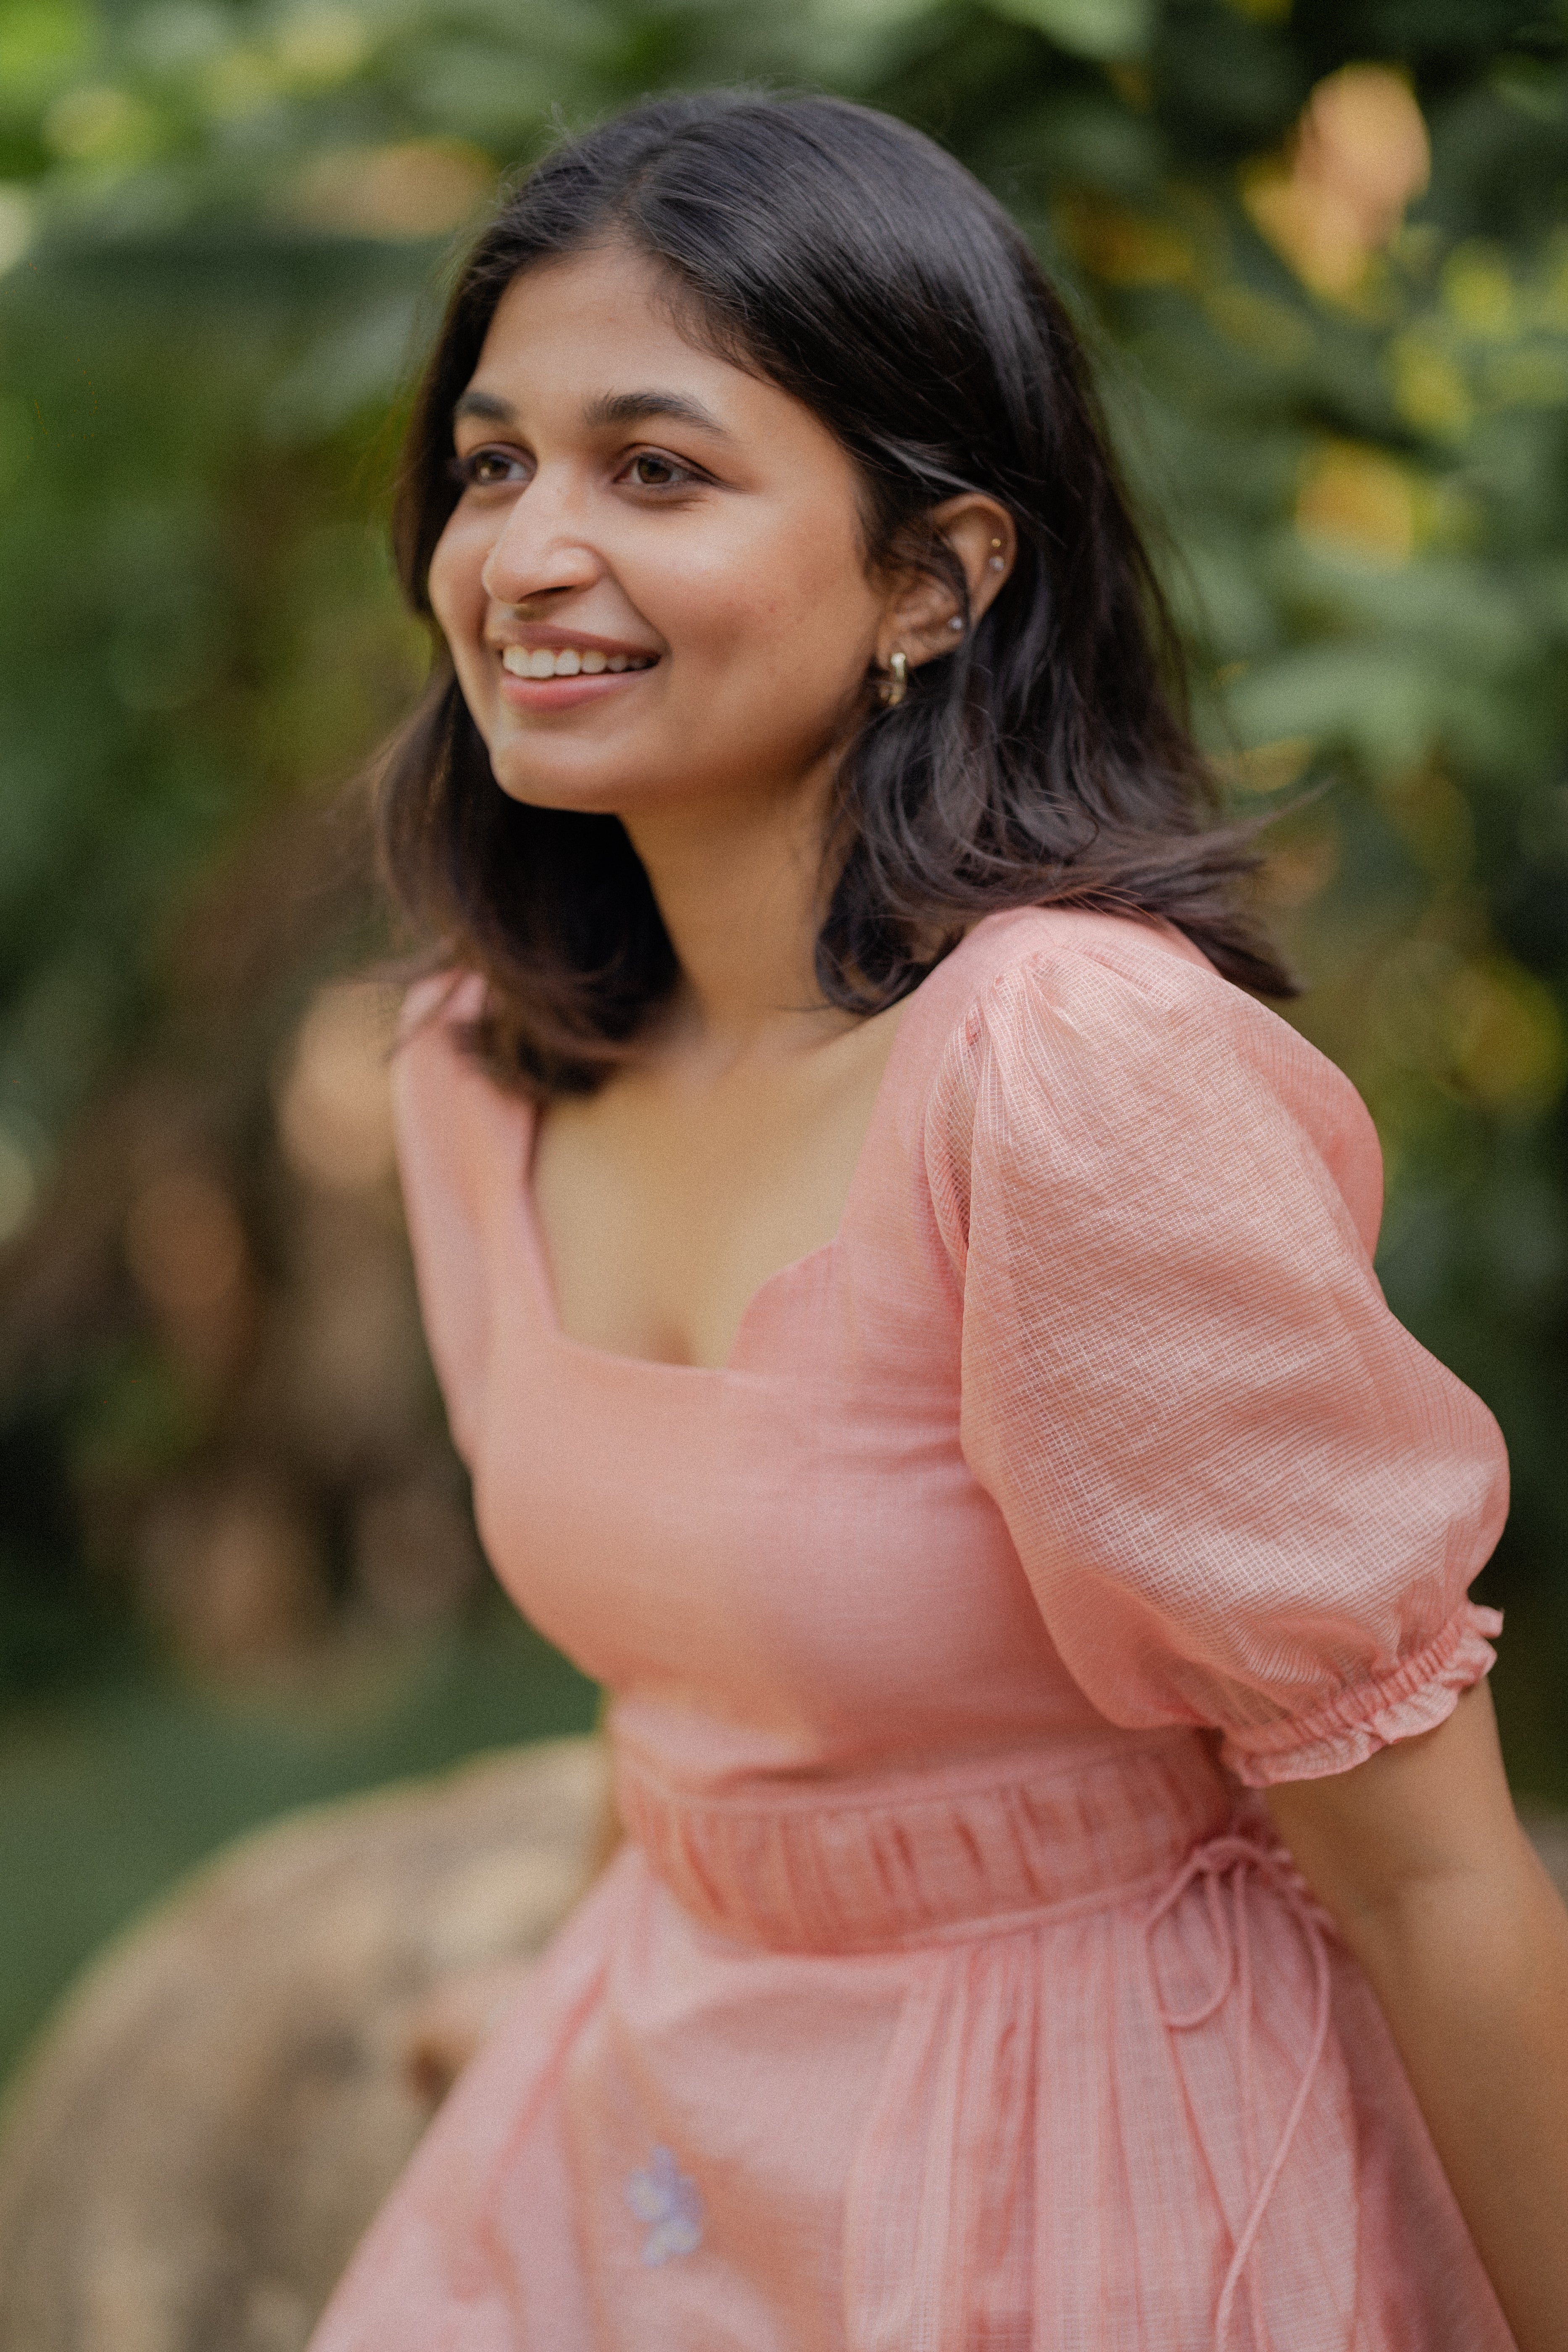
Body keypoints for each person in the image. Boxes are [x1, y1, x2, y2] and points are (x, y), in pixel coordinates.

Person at [308, 91, 1568, 2352]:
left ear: (933, 576)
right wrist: (580, 1962)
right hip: (665, 2112)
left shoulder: (1065, 1075)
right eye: (493, 464)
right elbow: (696, 1674)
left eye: (655, 469)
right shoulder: (479, 1064)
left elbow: (1433, 1865)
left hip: (1090, 2156)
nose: (522, 552)